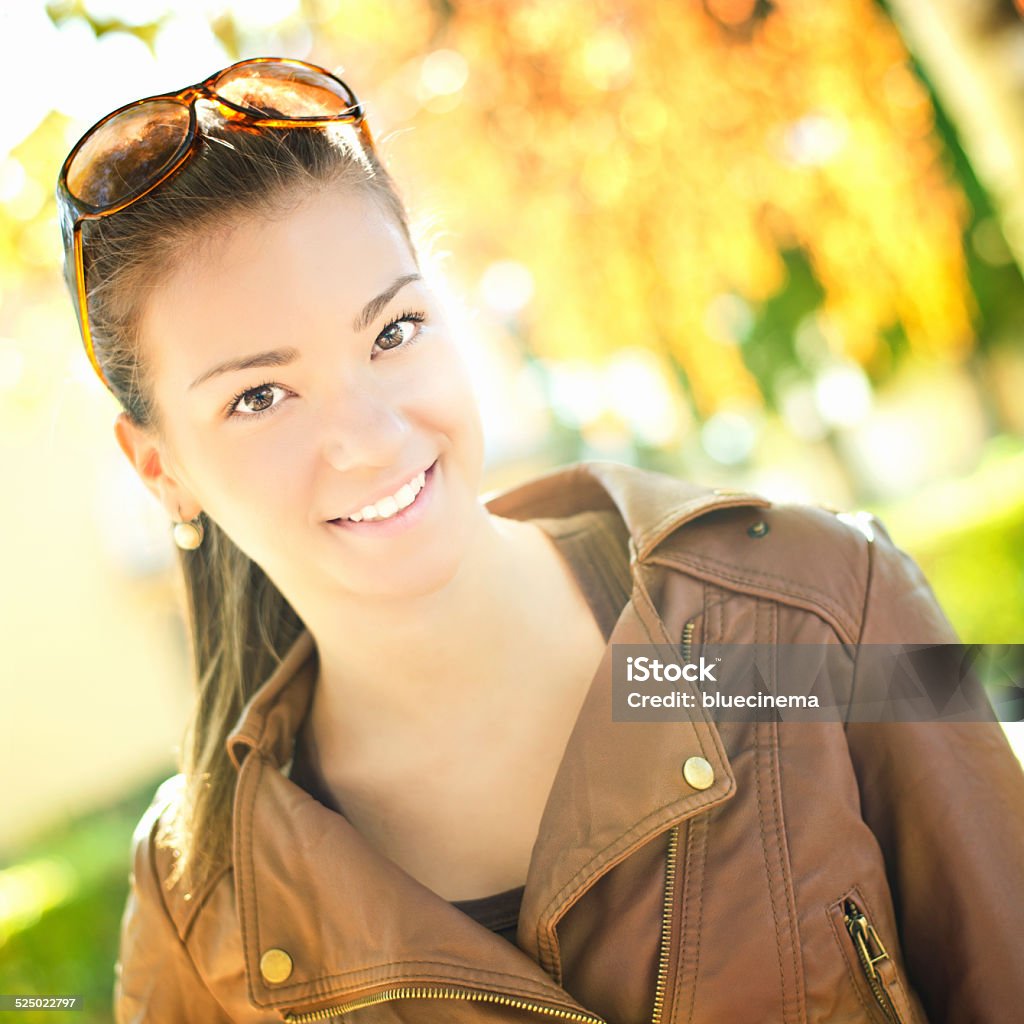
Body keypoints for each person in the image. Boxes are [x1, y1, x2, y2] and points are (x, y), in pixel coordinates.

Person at [56, 58, 1024, 1024]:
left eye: (392, 331)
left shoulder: (819, 604)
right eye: (258, 396)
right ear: (159, 469)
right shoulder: (197, 917)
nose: (373, 439)